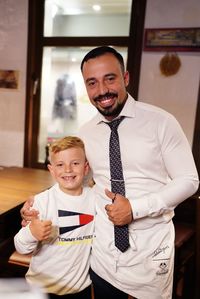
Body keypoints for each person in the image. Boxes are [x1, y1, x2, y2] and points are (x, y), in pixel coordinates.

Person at [21, 46, 199, 299]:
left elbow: (189, 180)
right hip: (102, 253)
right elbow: (75, 182)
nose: (102, 90)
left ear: (125, 78)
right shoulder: (86, 132)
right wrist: (38, 207)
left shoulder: (162, 122)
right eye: (92, 83)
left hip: (149, 252)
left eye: (110, 79)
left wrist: (134, 209)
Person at [15, 136, 95, 299]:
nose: (68, 170)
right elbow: (21, 247)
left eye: (75, 163)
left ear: (85, 168)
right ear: (51, 170)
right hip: (41, 289)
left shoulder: (95, 199)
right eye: (60, 164)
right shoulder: (42, 201)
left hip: (80, 289)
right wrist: (31, 232)